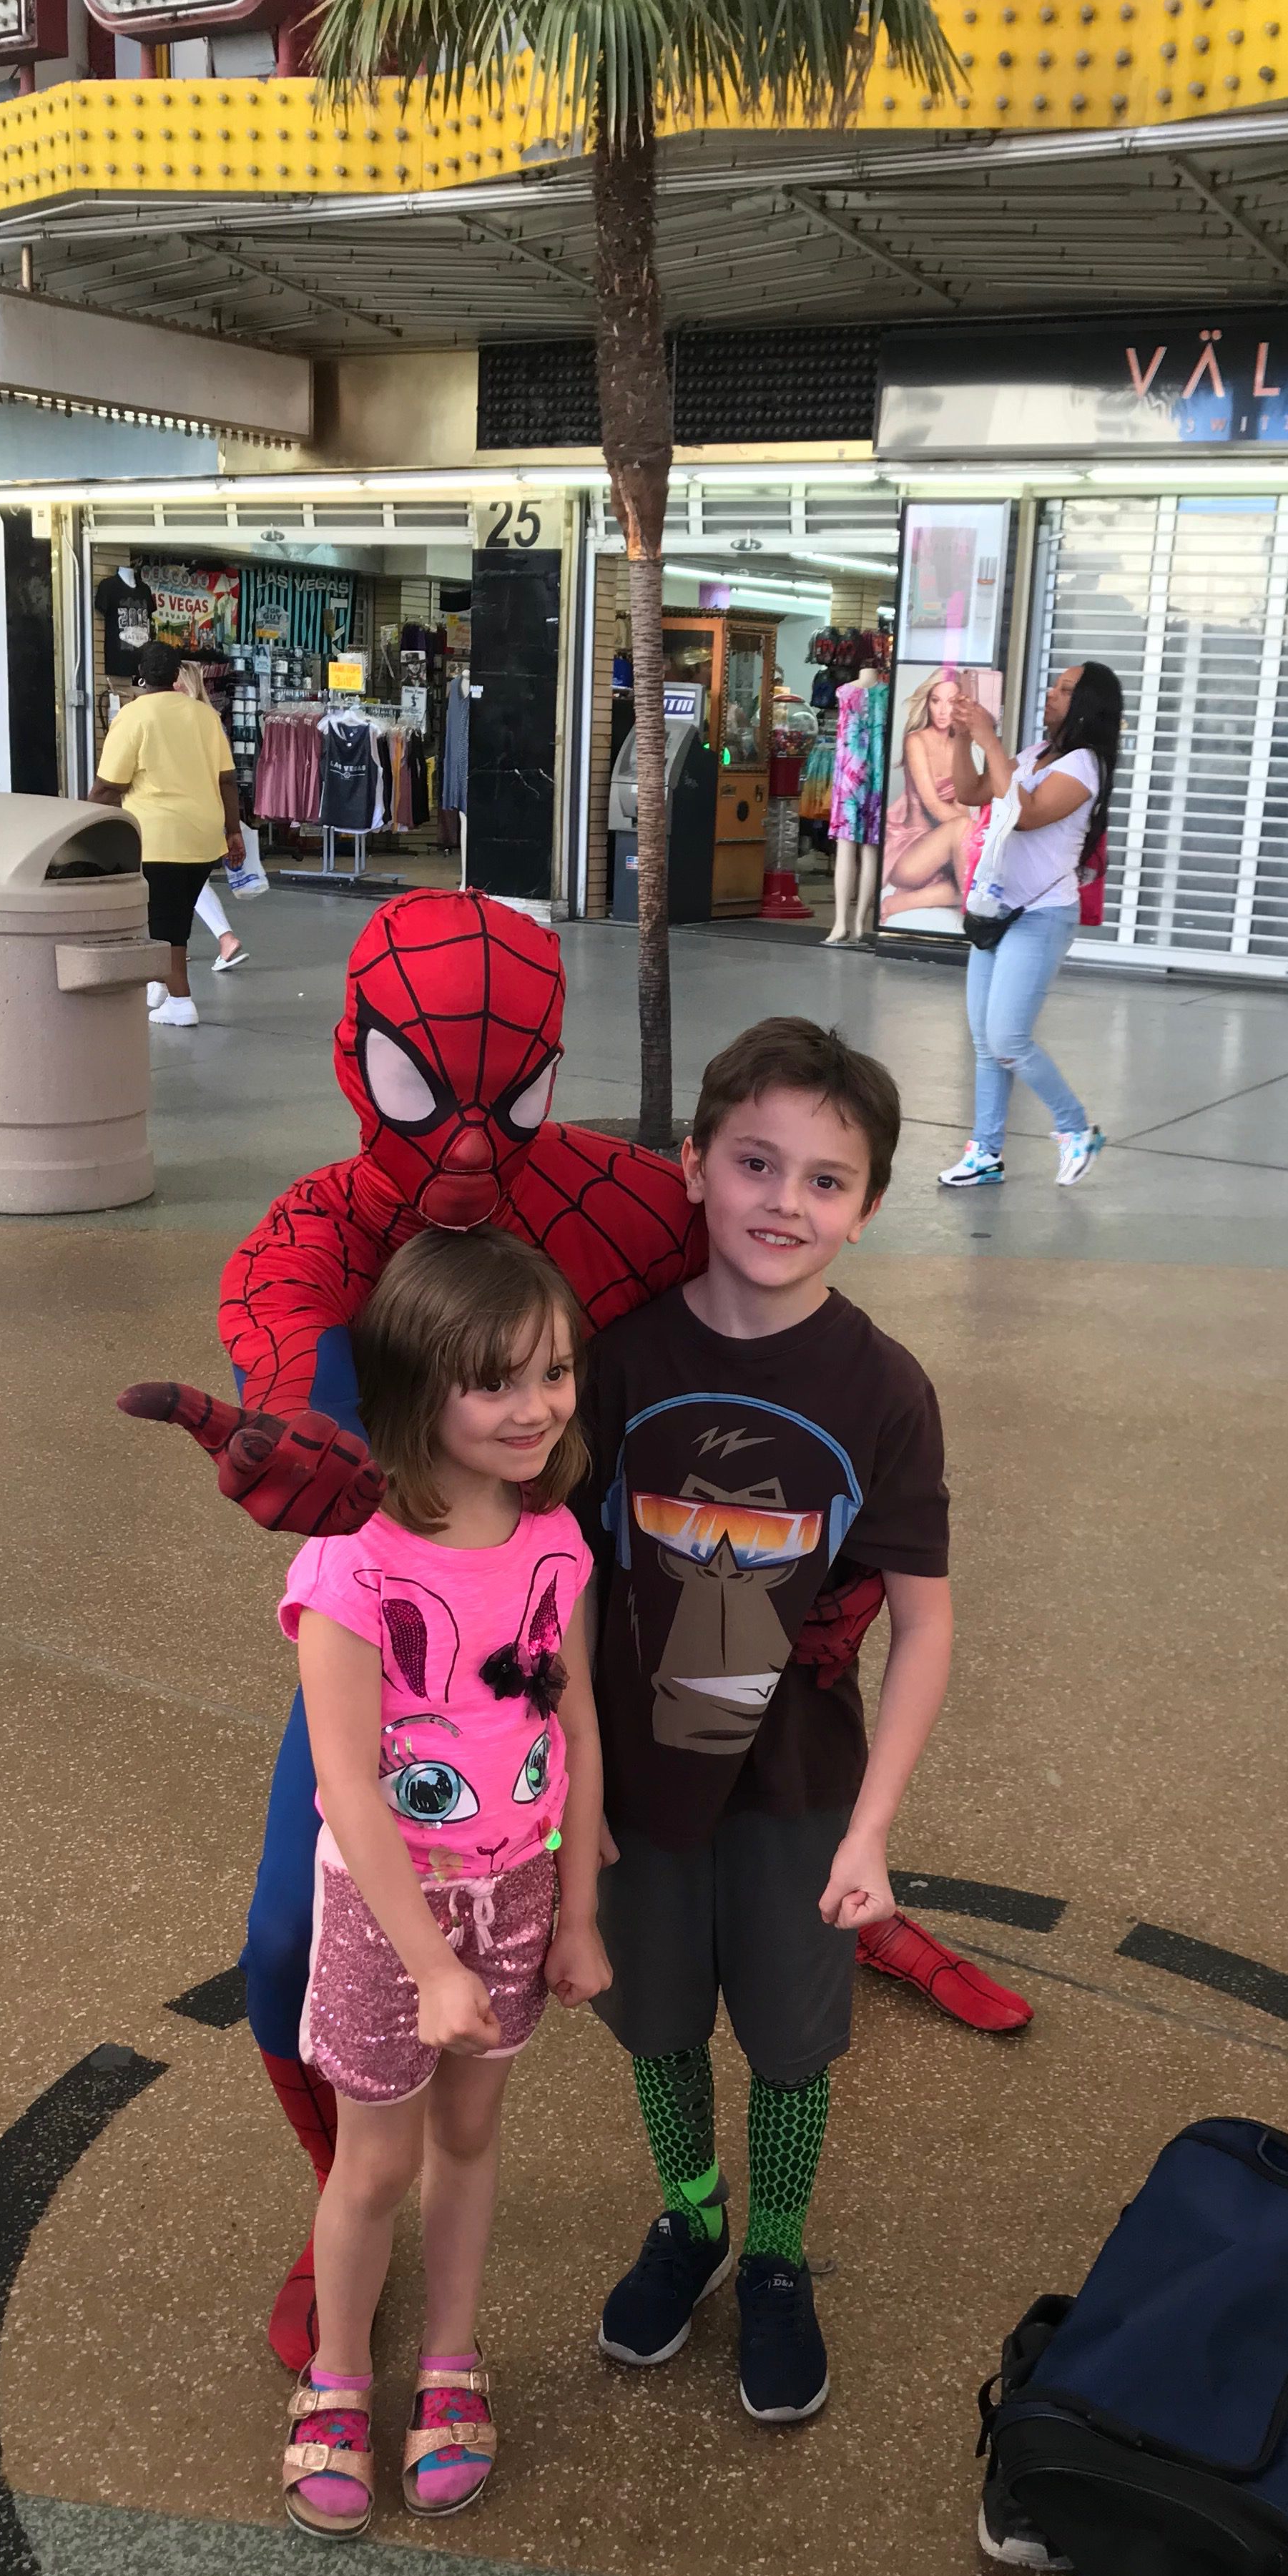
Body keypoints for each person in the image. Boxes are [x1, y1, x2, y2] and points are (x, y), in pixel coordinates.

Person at [117, 893, 1029, 2371]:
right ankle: (352, 2190)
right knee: (298, 1942)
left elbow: (773, 1246)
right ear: (360, 1056)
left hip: (620, 1689)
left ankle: (753, 2229)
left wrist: (850, 1752)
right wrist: (301, 1430)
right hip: (415, 1655)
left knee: (708, 1988)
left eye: (512, 1094)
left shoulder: (638, 1200)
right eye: (427, 1090)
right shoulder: (324, 1230)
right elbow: (285, 1334)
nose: (471, 1146)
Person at [585, 1016, 955, 2427]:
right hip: (635, 1783)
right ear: (692, 1165)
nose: (781, 1202)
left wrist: (875, 1828)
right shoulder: (611, 1366)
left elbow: (925, 1622)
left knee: (795, 2043)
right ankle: (692, 2216)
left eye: (822, 1180)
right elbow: (551, 1588)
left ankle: (781, 2257)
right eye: (754, 1161)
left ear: (862, 1212)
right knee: (656, 2018)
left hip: (801, 1787)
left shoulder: (883, 1391)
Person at [277, 1227, 607, 2540]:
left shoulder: (555, 1538)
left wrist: (576, 1909)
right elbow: (349, 1785)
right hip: (386, 1916)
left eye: (554, 1373)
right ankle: (339, 2373)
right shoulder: (352, 1565)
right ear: (420, 1389)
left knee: (470, 2140)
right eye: (495, 1381)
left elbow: (574, 1730)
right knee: (374, 2163)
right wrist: (426, 1964)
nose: (533, 1407)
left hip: (517, 1891)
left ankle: (452, 2359)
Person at [938, 661, 1122, 1193]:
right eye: (1055, 685)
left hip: (1041, 916)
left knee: (1008, 1038)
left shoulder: (1085, 764)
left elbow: (1027, 812)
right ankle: (985, 1153)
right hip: (1000, 912)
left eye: (1065, 690)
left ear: (1086, 704)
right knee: (985, 1040)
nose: (1051, 694)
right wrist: (960, 737)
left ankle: (1074, 1127)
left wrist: (990, 739)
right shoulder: (1035, 756)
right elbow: (971, 792)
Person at [87, 639, 244, 1029]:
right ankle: (161, 989)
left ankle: (180, 1000)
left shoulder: (134, 716)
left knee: (164, 926)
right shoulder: (205, 717)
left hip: (156, 838)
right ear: (177, 677)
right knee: (172, 921)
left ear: (141, 674)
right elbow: (227, 781)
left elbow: (109, 786)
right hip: (205, 838)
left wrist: (85, 822)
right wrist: (234, 832)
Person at [880, 668, 978, 923]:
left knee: (968, 881)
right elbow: (933, 804)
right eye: (936, 701)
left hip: (940, 852)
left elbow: (963, 805)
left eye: (952, 702)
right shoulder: (916, 741)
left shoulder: (960, 746)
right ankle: (979, 920)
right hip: (909, 852)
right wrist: (971, 831)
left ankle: (900, 903)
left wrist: (971, 835)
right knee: (966, 834)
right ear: (927, 703)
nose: (943, 711)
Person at [172, 657, 250, 975]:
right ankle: (182, 944)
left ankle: (222, 938)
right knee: (187, 879)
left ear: (181, 684)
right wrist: (232, 825)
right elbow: (226, 775)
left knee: (180, 880)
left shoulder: (173, 719)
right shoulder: (211, 719)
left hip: (176, 809)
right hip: (208, 809)